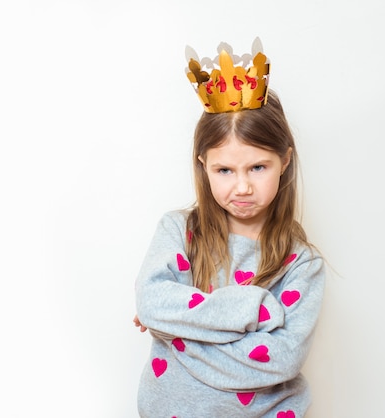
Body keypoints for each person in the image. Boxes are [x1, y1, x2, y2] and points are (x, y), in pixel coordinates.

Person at [133, 39, 325, 418]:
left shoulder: (303, 264)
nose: (242, 187)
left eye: (258, 167)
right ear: (203, 164)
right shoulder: (178, 230)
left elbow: (280, 361)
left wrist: (175, 331)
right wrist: (252, 306)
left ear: (284, 160)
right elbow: (152, 303)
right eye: (224, 170)